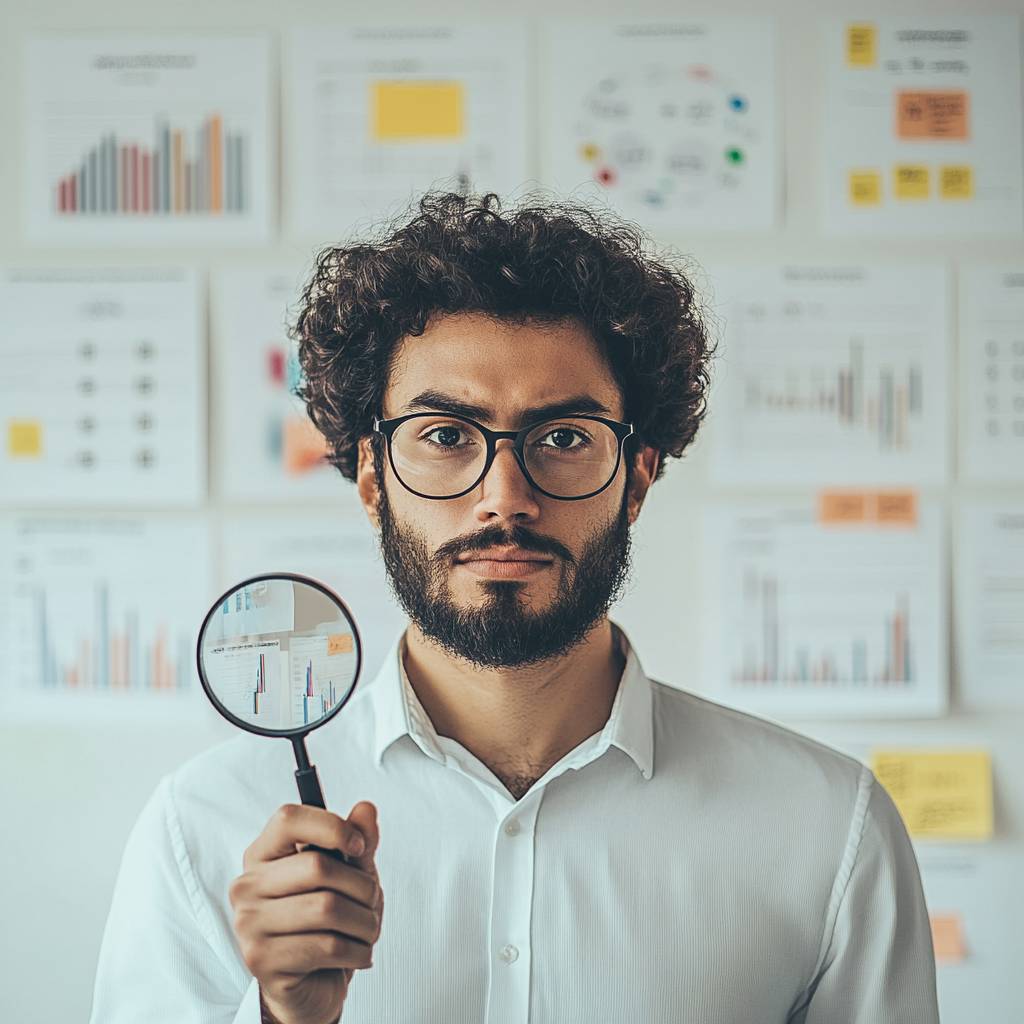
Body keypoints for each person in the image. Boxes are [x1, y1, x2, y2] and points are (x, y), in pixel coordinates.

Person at [89, 191, 939, 1024]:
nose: (504, 498)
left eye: (564, 438)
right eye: (446, 435)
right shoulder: (201, 827)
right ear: (371, 476)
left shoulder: (829, 827)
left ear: (638, 474)